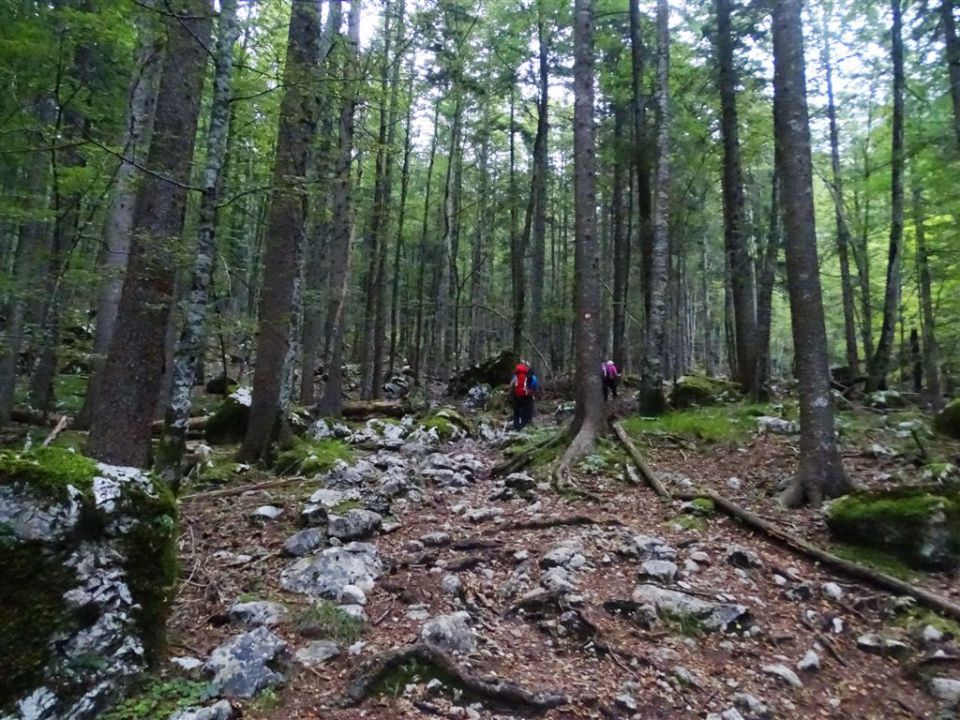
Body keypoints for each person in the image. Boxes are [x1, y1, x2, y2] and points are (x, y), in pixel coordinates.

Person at [510, 360, 539, 430]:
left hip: (516, 395)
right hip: (527, 396)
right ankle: (525, 426)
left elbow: (511, 384)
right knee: (526, 411)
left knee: (516, 412)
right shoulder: (531, 375)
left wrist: (511, 394)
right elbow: (535, 386)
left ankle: (516, 426)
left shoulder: (516, 374)